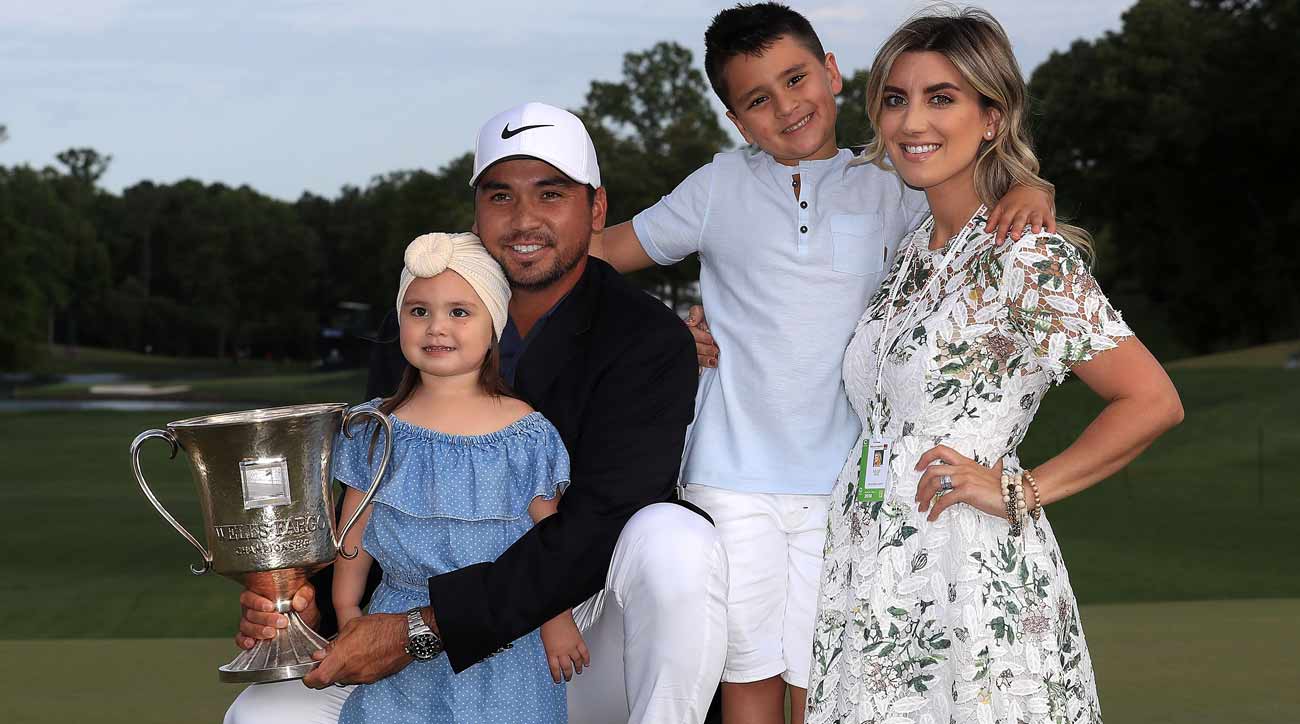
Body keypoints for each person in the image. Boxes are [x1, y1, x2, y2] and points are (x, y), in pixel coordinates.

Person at [589, 4, 1054, 723]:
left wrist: (1035, 188)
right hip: (730, 476)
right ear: (736, 120)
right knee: (749, 678)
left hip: (845, 484)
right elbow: (594, 258)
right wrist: (664, 331)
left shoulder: (892, 184)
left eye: (797, 79)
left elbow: (982, 209)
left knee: (823, 680)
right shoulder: (715, 187)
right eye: (757, 100)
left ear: (832, 72)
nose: (786, 107)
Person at [226, 103, 728, 724]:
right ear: (477, 211)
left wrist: (420, 629)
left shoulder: (646, 338)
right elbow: (371, 503)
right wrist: (303, 597)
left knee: (677, 541)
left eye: (551, 194)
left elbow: (592, 531)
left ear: (596, 209)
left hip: (573, 639)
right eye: (500, 196)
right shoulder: (417, 326)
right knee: (262, 715)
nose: (524, 220)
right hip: (412, 629)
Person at [803, 9, 1183, 723]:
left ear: (991, 116)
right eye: (895, 98)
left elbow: (1152, 399)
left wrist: (1023, 489)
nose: (912, 120)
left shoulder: (1027, 256)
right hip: (878, 565)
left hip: (969, 567)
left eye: (940, 97)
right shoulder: (914, 251)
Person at [326, 231, 577, 722]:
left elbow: (550, 541)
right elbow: (352, 530)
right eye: (419, 311)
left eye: (459, 312)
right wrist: (348, 613)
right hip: (396, 625)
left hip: (506, 637)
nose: (436, 326)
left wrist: (557, 621)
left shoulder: (523, 431)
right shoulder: (376, 429)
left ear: (494, 326)